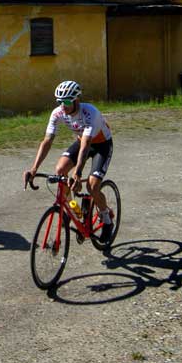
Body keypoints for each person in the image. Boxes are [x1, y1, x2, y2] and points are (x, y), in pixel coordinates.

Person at [22, 80, 114, 242]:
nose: (62, 106)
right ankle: (74, 212)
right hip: (82, 141)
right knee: (60, 172)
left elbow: (86, 145)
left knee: (92, 186)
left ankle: (106, 218)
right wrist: (34, 168)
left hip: (101, 145)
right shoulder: (58, 113)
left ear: (76, 100)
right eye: (59, 101)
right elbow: (47, 141)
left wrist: (78, 172)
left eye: (66, 101)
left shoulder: (89, 112)